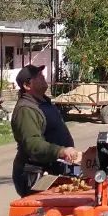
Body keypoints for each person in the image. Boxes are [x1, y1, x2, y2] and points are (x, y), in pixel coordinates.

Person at [10, 64, 81, 196]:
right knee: (41, 208)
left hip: (55, 169)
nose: (43, 77)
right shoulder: (26, 109)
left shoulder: (43, 102)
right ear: (27, 85)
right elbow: (33, 144)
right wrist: (61, 151)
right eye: (38, 76)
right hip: (35, 173)